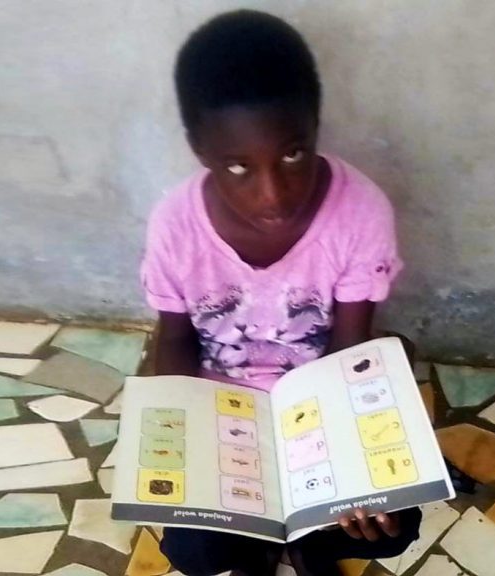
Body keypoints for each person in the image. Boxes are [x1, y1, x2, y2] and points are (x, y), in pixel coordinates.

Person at [140, 10, 421, 576]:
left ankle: (311, 546)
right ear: (200, 149)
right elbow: (172, 341)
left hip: (315, 408)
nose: (273, 194)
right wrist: (179, 446)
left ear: (315, 125)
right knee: (196, 551)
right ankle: (255, 549)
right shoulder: (175, 224)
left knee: (392, 526)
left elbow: (348, 347)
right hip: (225, 412)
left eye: (292, 155)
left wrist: (353, 478)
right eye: (239, 166)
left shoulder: (359, 211)